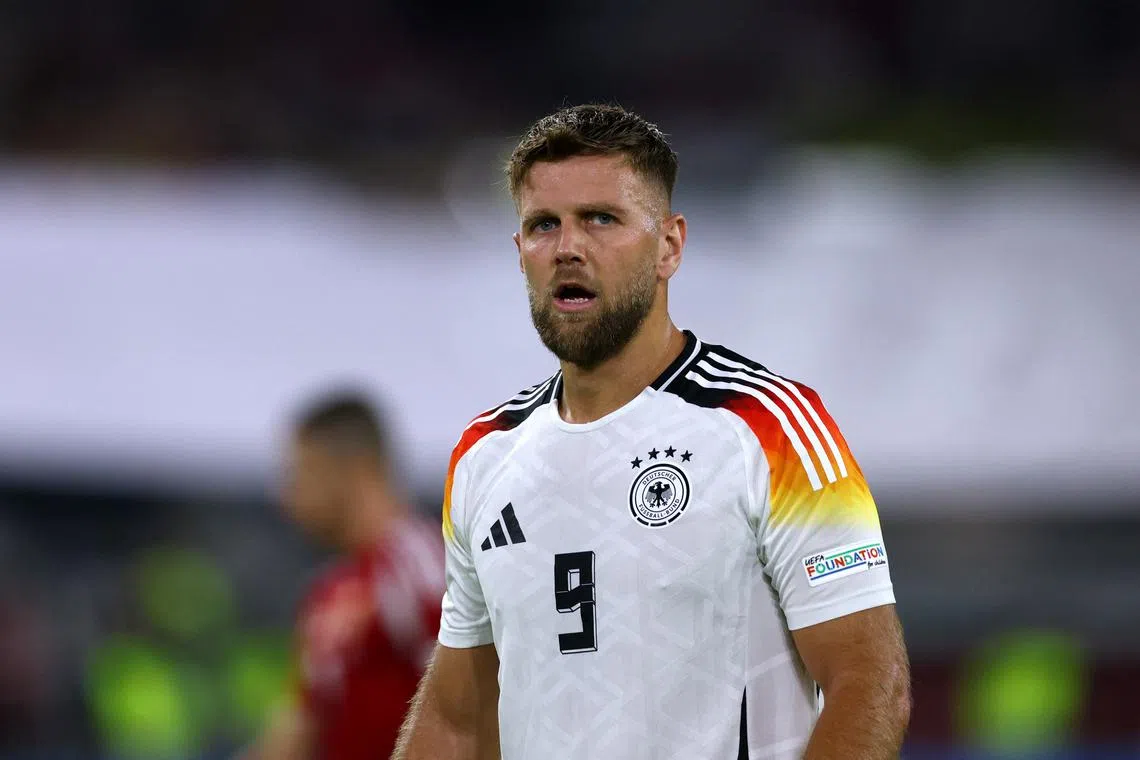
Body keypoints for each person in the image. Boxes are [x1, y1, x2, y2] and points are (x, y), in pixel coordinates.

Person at [393, 104, 911, 760]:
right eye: (543, 225)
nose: (568, 247)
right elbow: (457, 721)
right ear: (520, 252)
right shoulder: (484, 455)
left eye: (601, 220)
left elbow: (869, 684)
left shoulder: (768, 429)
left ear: (670, 246)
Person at [245, 392, 444, 760]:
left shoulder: (418, 567)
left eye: (302, 473)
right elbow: (301, 726)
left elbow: (470, 706)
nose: (288, 496)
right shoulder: (330, 591)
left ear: (355, 471)